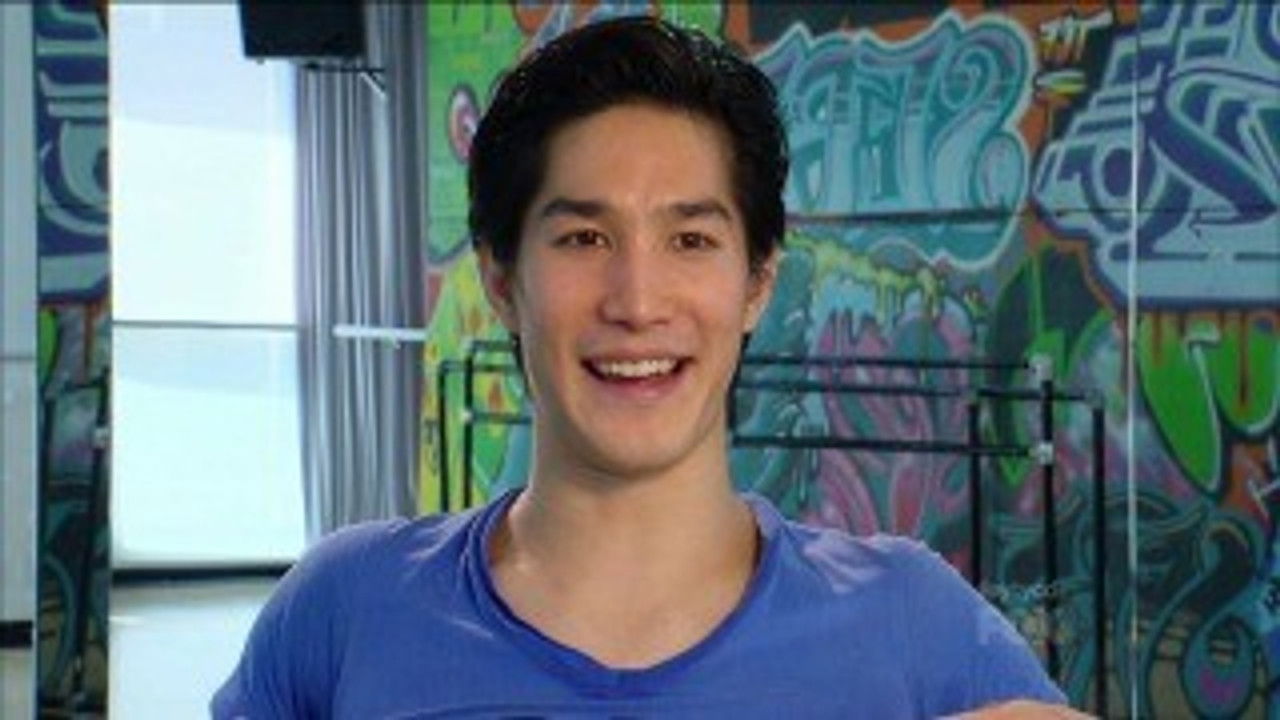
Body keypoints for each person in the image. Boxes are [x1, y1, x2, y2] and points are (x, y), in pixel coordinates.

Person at [213, 17, 1088, 719]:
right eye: (584, 238)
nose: (637, 300)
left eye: (691, 240)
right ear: (503, 280)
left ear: (756, 284)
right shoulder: (343, 611)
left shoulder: (912, 625)